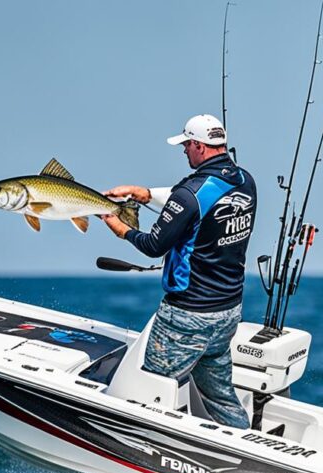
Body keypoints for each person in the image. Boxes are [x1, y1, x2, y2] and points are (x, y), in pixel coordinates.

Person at [99, 114, 257, 429]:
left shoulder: (190, 194)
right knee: (221, 398)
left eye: (186, 145)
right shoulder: (244, 181)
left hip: (188, 316)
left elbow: (154, 244)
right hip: (227, 312)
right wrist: (144, 193)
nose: (184, 150)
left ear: (199, 145)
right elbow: (196, 200)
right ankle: (243, 441)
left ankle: (143, 447)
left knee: (147, 388)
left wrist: (121, 229)